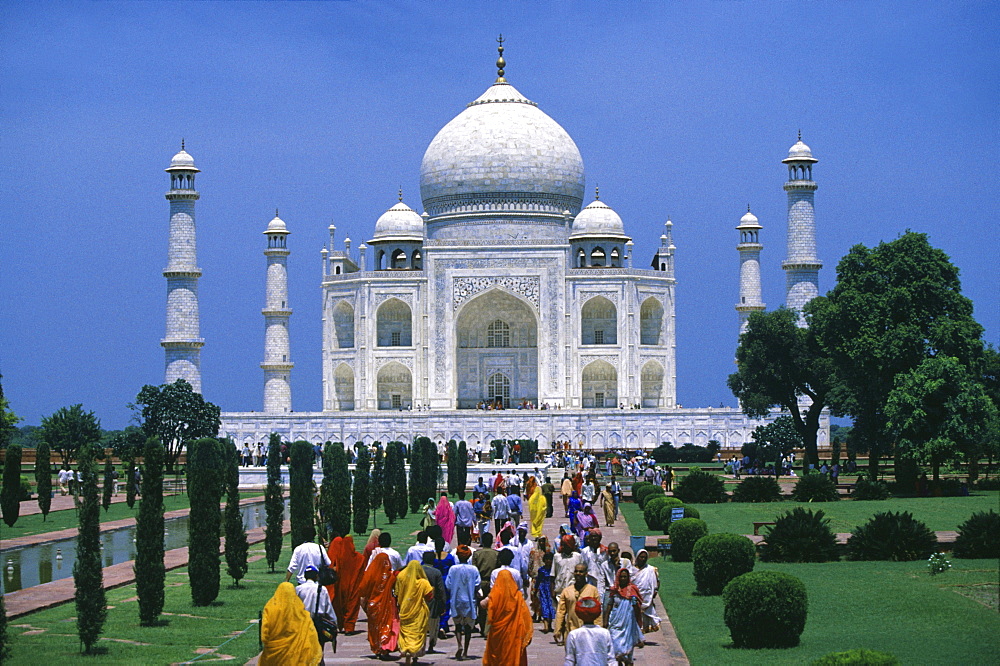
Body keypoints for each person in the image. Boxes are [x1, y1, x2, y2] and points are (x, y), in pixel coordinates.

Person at [259, 582, 323, 666]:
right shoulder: (301, 613)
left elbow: (264, 634)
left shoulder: (271, 608)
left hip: (274, 656)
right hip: (298, 656)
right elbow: (311, 634)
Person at [480, 569, 533, 665]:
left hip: (497, 634)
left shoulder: (494, 596)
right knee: (512, 654)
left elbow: (482, 604)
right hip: (514, 633)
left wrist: (490, 596)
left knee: (497, 655)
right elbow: (525, 616)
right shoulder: (518, 597)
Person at [357, 552, 399, 657]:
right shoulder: (390, 576)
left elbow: (362, 589)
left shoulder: (370, 574)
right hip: (386, 605)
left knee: (374, 627)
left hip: (373, 605)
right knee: (385, 625)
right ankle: (384, 647)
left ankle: (376, 648)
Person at [445, 544, 481, 660]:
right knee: (468, 628)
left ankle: (459, 644)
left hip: (456, 600)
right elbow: (477, 584)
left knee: (458, 625)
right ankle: (465, 651)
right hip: (470, 601)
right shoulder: (473, 569)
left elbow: (448, 585)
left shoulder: (453, 569)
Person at [395, 560, 435, 665]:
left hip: (405, 609)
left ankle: (406, 649)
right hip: (419, 612)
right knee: (417, 633)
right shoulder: (423, 582)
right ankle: (414, 655)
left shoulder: (401, 578)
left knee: (406, 632)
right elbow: (429, 597)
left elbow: (397, 593)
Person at [554, 563, 602, 646]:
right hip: (571, 630)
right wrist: (557, 629)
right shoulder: (567, 591)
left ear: (586, 573)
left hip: (589, 632)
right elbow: (561, 611)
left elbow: (598, 612)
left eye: (581, 571)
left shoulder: (593, 590)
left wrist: (599, 629)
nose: (578, 574)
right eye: (576, 571)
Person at [296, 565, 337, 661]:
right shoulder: (321, 589)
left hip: (303, 624)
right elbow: (328, 608)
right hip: (318, 623)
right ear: (316, 576)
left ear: (305, 576)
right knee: (318, 648)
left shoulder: (298, 589)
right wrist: (334, 622)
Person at [606, 568, 644, 664]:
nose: (623, 579)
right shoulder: (614, 591)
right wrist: (605, 620)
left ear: (628, 578)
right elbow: (609, 605)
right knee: (616, 647)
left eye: (625, 577)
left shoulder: (632, 590)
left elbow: (638, 608)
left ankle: (628, 662)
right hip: (615, 622)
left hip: (628, 623)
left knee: (628, 650)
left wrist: (635, 605)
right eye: (621, 577)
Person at [327, 535, 364, 633]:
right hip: (354, 586)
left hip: (340, 586)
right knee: (352, 605)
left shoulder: (339, 559)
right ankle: (349, 627)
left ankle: (341, 623)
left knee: (340, 604)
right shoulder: (360, 558)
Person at [564, 597, 616, 666]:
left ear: (578, 614)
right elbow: (611, 659)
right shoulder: (605, 633)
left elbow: (570, 660)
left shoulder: (574, 634)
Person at [471, 532, 500, 637]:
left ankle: (483, 628)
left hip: (480, 582)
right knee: (491, 606)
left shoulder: (477, 554)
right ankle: (489, 628)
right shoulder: (496, 554)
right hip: (493, 582)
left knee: (481, 606)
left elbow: (474, 570)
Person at [419, 550, 446, 654]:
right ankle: (431, 645)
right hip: (433, 602)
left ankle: (421, 644)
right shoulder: (436, 572)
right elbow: (440, 589)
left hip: (420, 601)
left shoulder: (419, 570)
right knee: (433, 625)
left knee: (421, 624)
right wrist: (443, 603)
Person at [631, 550, 661, 632]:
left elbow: (657, 581)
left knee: (645, 617)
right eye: (641, 557)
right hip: (635, 597)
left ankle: (641, 634)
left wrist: (655, 590)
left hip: (647, 596)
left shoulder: (650, 569)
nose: (643, 559)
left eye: (645, 557)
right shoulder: (631, 570)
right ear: (637, 557)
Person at [552, 533, 583, 600]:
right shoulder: (557, 557)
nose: (565, 547)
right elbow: (552, 575)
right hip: (559, 592)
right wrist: (552, 591)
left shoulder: (578, 556)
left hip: (574, 591)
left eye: (567, 545)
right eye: (563, 545)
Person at [580, 530, 609, 600]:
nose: (593, 538)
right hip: (589, 580)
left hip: (602, 580)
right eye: (592, 536)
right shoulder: (585, 551)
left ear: (600, 538)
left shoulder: (605, 551)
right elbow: (582, 566)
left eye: (595, 536)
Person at [536, 550, 556, 633]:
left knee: (551, 606)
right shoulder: (541, 570)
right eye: (547, 559)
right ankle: (545, 626)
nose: (548, 561)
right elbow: (538, 580)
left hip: (551, 589)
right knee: (544, 606)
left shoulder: (553, 570)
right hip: (543, 590)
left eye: (550, 559)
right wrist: (535, 589)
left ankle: (550, 625)